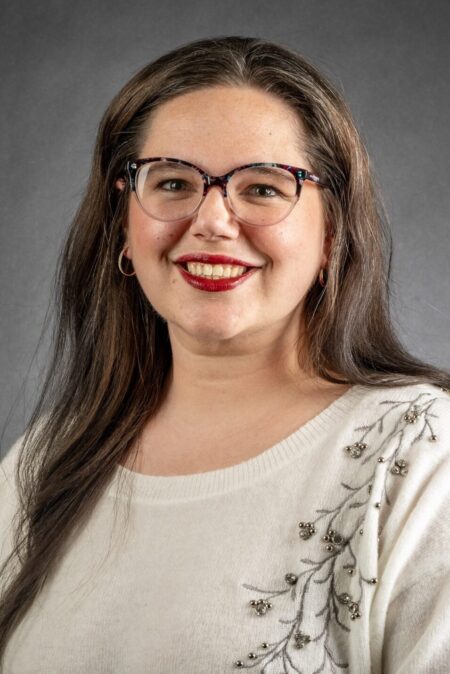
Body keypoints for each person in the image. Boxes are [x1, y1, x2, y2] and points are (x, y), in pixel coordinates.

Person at [0, 36, 449, 674]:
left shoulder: (420, 455)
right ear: (124, 225)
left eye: (263, 188)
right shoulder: (42, 463)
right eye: (173, 182)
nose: (212, 220)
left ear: (331, 235)